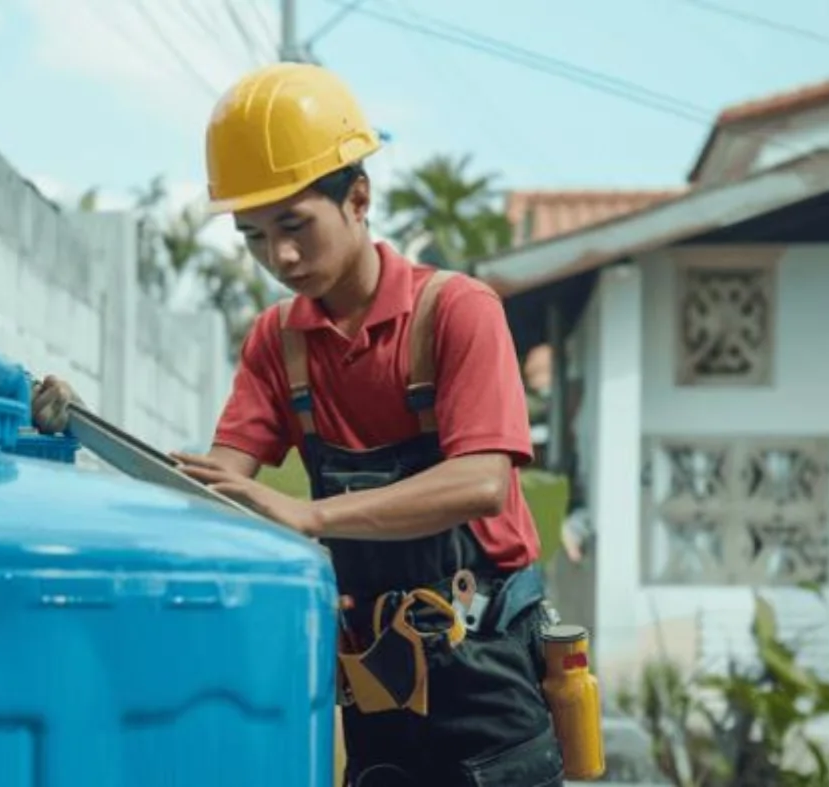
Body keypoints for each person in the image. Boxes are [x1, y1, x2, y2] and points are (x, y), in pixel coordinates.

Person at [30, 62, 566, 787]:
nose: (278, 257)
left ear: (359, 198)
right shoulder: (277, 342)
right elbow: (215, 491)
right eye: (253, 236)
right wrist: (91, 430)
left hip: (486, 666)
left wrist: (311, 514)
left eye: (294, 226)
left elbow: (480, 480)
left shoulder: (455, 311)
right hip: (374, 674)